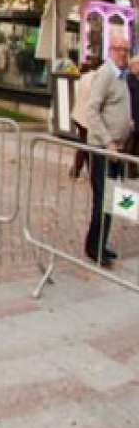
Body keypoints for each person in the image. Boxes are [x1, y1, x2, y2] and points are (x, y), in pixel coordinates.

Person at [83, 38, 133, 267]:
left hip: (117, 150)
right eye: (120, 50)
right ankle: (94, 248)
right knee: (103, 198)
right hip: (104, 150)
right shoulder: (106, 74)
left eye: (127, 50)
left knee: (111, 199)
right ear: (111, 51)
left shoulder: (121, 76)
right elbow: (92, 111)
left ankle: (100, 244)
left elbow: (116, 106)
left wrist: (127, 123)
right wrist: (107, 142)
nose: (124, 54)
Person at [71, 53, 104, 179]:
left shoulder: (85, 77)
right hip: (86, 118)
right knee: (85, 145)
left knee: (84, 144)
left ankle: (78, 170)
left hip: (78, 115)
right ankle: (78, 171)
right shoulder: (95, 79)